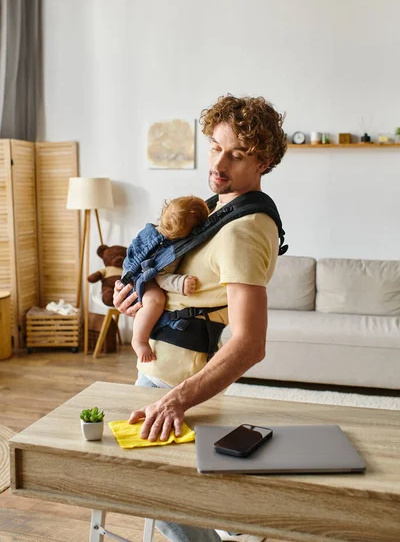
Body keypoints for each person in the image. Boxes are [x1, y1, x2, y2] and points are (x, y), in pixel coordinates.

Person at [113, 93, 287, 542]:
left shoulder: (244, 230)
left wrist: (177, 400)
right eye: (215, 145)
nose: (218, 162)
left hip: (175, 385)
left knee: (158, 497)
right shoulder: (216, 210)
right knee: (171, 497)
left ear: (263, 161)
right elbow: (184, 281)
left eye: (238, 154)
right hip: (160, 372)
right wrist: (135, 292)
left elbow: (250, 342)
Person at [125, 195, 209, 363]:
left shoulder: (163, 232)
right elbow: (160, 277)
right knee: (155, 300)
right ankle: (139, 340)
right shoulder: (167, 249)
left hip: (148, 272)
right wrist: (180, 283)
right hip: (141, 277)